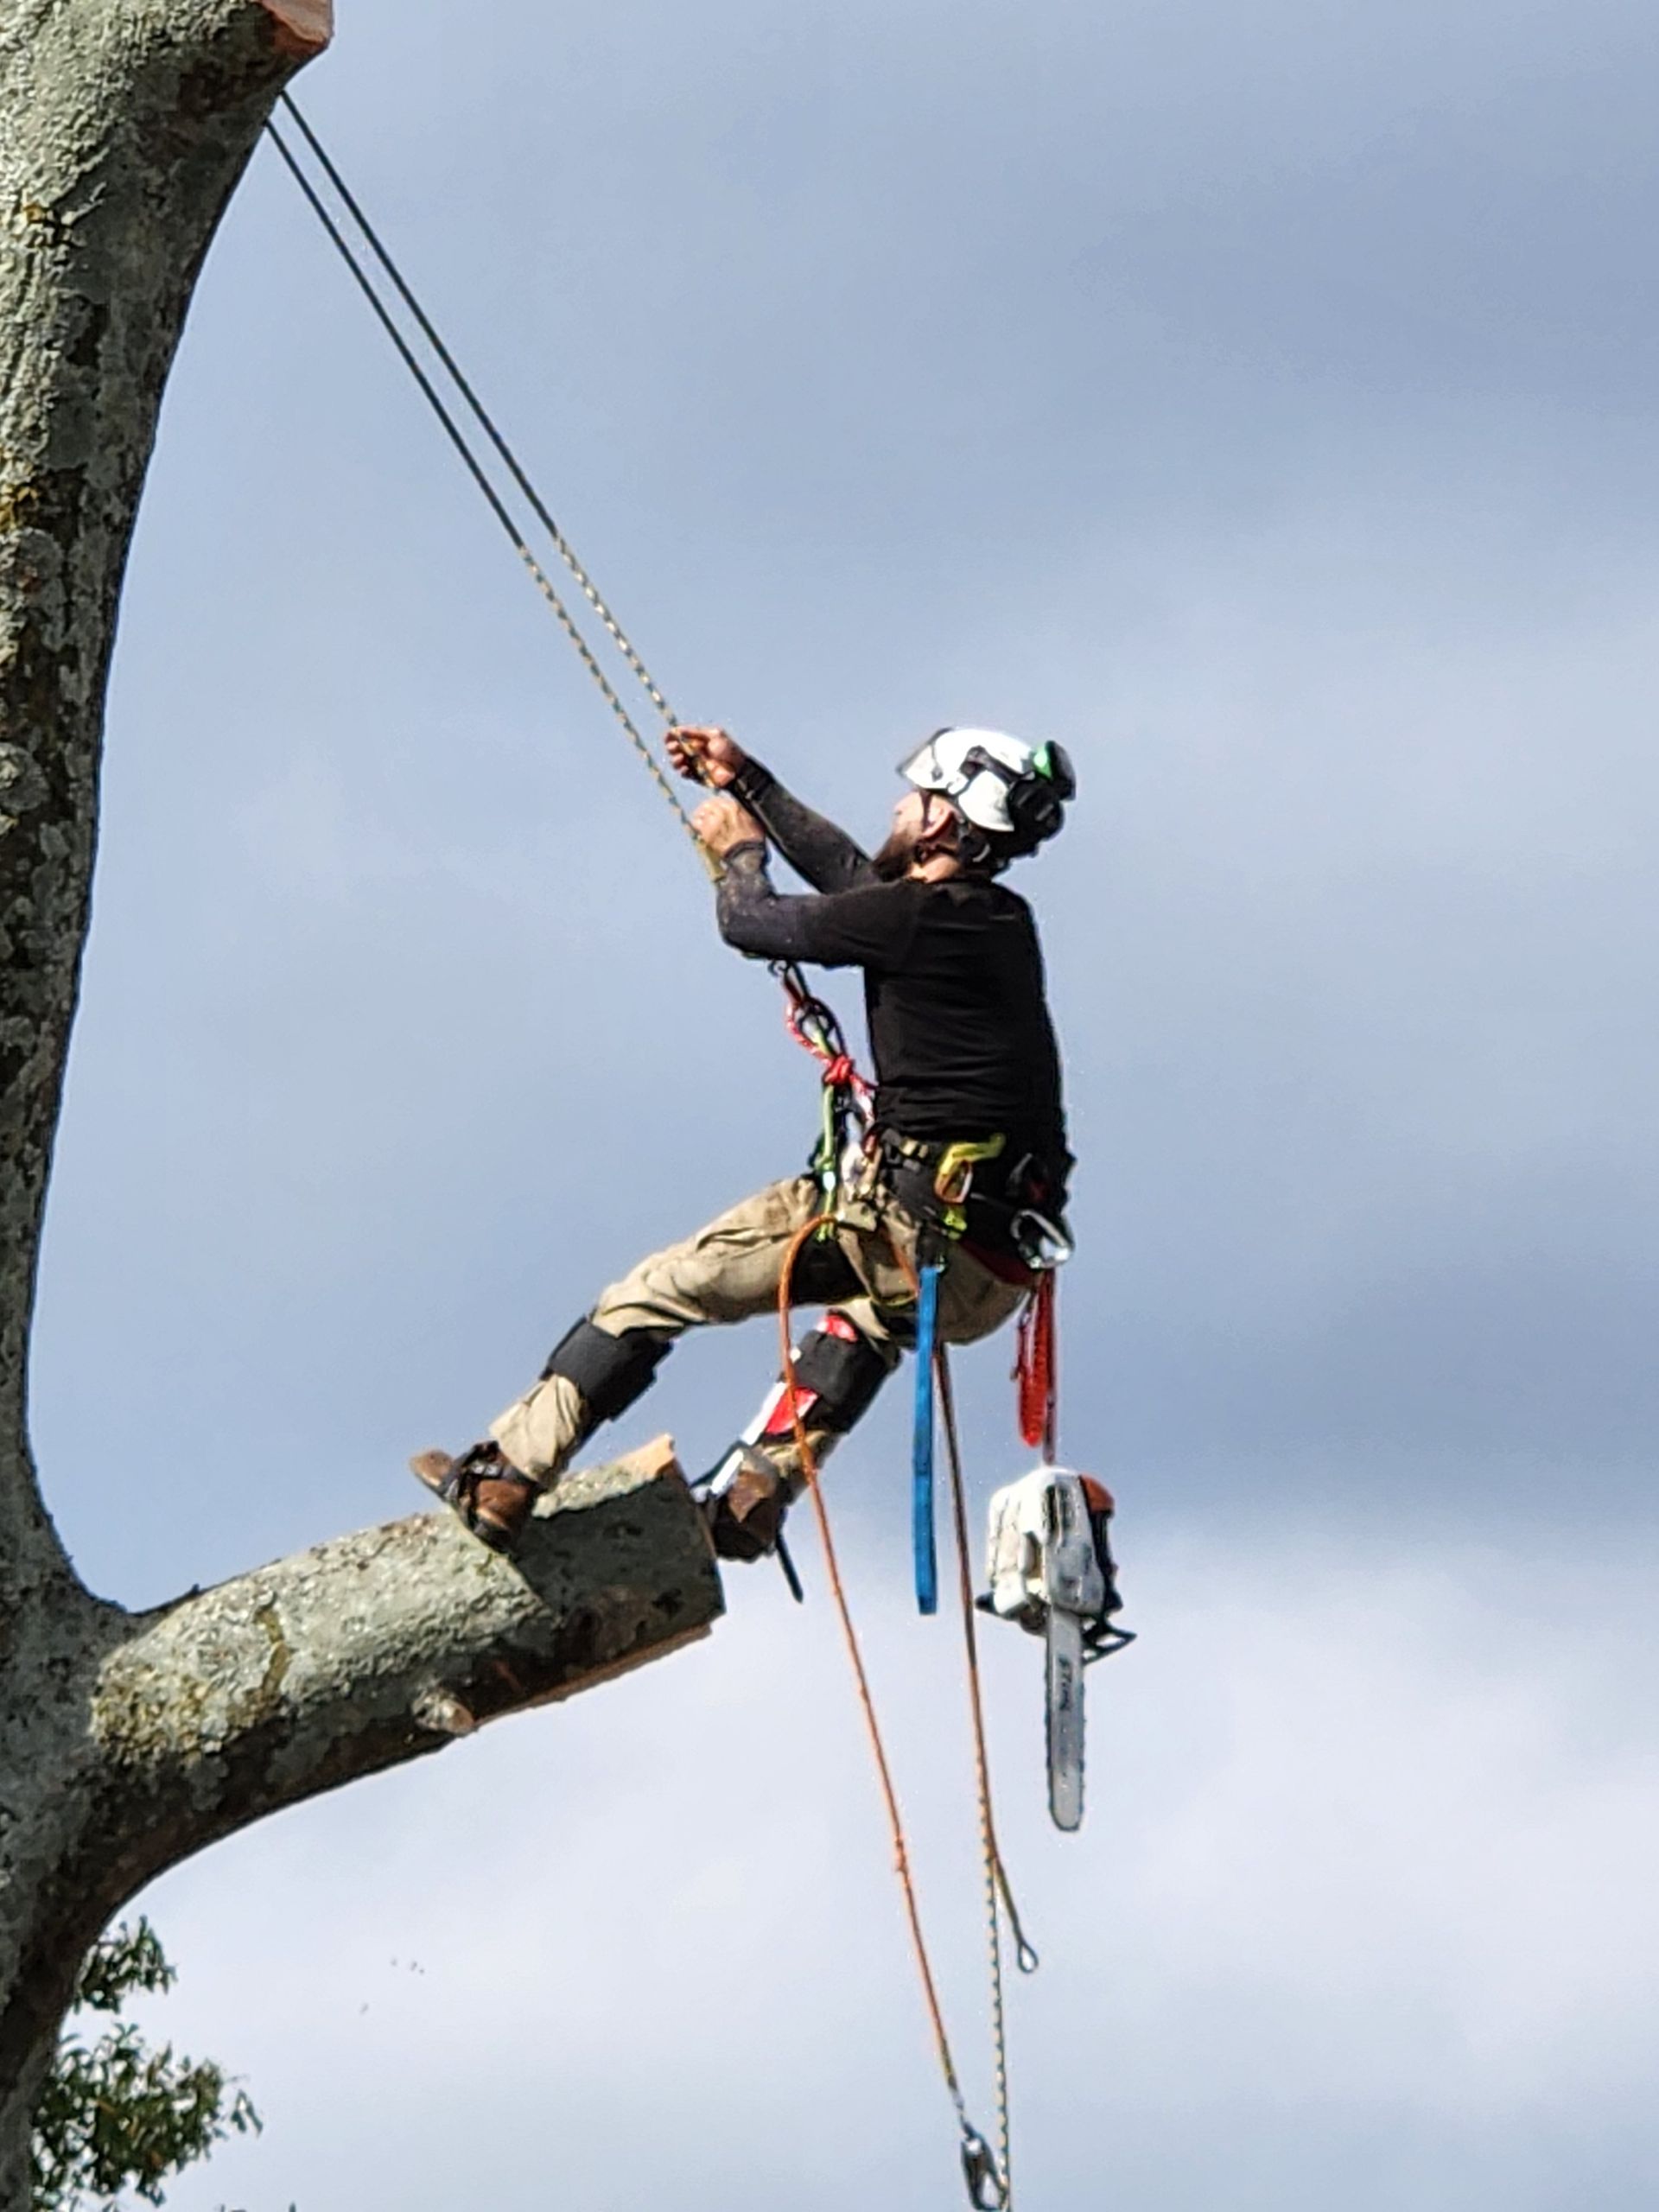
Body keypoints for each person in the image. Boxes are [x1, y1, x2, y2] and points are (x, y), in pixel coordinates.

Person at [413, 725, 1077, 1560]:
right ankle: (752, 1497)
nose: (899, 804)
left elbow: (753, 923)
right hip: (990, 1268)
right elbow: (853, 879)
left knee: (655, 1290)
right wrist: (749, 780)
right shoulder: (988, 920)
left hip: (909, 1230)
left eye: (918, 798)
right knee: (862, 1331)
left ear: (944, 825)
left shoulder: (913, 920)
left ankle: (506, 1476)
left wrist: (741, 854)